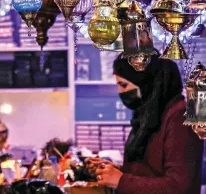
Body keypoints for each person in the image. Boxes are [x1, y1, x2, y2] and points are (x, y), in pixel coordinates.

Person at [87, 55, 203, 194]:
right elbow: (151, 171)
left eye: (123, 85)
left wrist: (121, 180)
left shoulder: (179, 118)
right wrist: (119, 172)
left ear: (145, 83)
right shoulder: (151, 114)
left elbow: (178, 186)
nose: (120, 92)